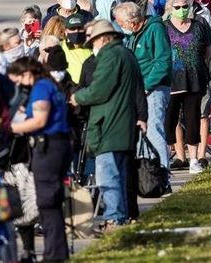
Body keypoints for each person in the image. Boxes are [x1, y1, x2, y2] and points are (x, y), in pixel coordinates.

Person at [70, 20, 144, 230]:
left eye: (92, 41)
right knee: (120, 175)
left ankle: (113, 217)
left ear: (102, 39)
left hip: (109, 125)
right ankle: (121, 215)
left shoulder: (110, 56)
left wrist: (78, 97)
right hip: (123, 124)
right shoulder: (126, 54)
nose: (92, 46)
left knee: (108, 176)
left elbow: (99, 90)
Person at [9, 57, 72, 263]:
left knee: (47, 202)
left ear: (27, 73)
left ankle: (54, 255)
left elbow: (39, 120)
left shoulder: (41, 88)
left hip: (48, 147)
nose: (19, 85)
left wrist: (9, 129)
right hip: (57, 146)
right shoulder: (48, 85)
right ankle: (55, 252)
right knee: (51, 202)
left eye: (18, 80)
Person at [113, 3, 172, 178]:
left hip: (153, 89)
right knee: (141, 133)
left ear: (132, 22)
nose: (120, 26)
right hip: (139, 89)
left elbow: (163, 62)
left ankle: (162, 175)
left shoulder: (155, 29)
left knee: (154, 131)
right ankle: (147, 174)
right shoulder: (134, 34)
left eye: (122, 23)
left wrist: (146, 85)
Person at [163, 0, 211, 174]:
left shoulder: (199, 25)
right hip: (172, 82)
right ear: (170, 9)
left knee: (193, 118)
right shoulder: (163, 27)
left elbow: (210, 51)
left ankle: (194, 159)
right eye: (177, 7)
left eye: (185, 6)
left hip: (195, 80)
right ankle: (170, 156)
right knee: (170, 120)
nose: (182, 10)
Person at [61, 13, 93, 84]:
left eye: (80, 28)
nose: (76, 31)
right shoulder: (59, 48)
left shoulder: (93, 46)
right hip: (70, 90)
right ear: (66, 31)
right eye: (72, 29)